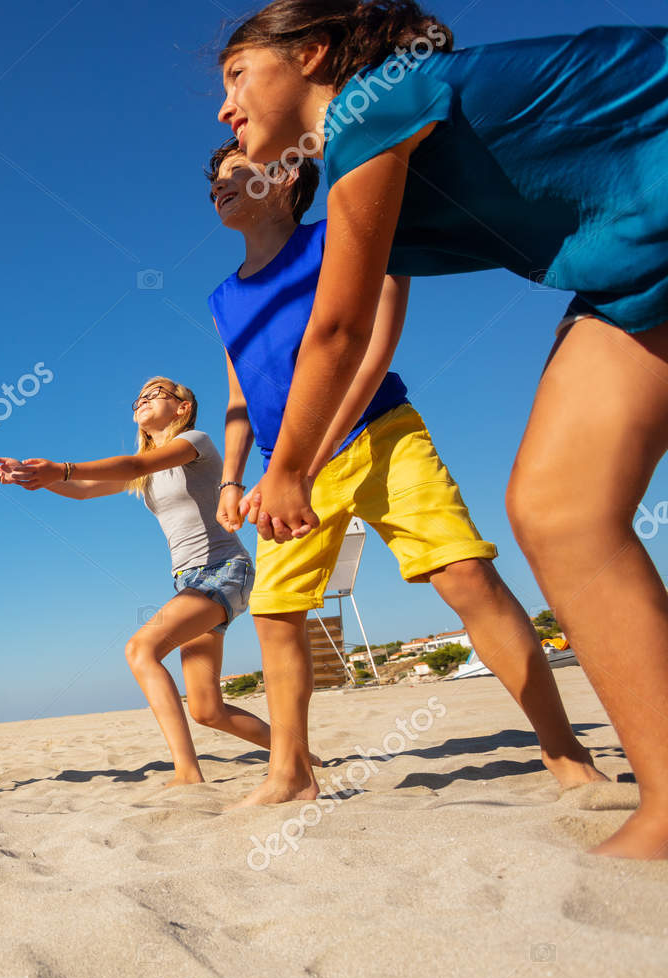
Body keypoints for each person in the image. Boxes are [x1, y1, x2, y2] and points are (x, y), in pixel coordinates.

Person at [214, 3, 666, 857]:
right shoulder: (353, 157)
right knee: (559, 508)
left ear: (311, 55)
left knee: (523, 533)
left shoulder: (374, 105)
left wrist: (292, 466)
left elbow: (343, 331)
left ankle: (569, 750)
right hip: (639, 268)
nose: (225, 107)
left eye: (238, 75)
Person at [206, 137, 606, 809]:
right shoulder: (223, 298)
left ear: (285, 176)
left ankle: (564, 748)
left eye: (238, 170)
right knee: (275, 616)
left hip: (381, 434)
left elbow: (370, 347)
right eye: (214, 179)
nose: (220, 184)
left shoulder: (342, 234)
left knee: (465, 574)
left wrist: (307, 458)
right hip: (286, 473)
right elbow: (239, 398)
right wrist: (233, 480)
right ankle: (291, 773)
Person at [0, 377, 280, 787]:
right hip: (190, 581)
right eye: (138, 398)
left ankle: (187, 773)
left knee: (141, 648)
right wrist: (33, 478)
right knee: (207, 709)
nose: (141, 400)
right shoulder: (147, 473)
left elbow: (135, 464)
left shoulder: (196, 441)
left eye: (154, 393)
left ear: (182, 407)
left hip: (222, 569)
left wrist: (62, 467)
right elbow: (86, 490)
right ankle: (299, 755)